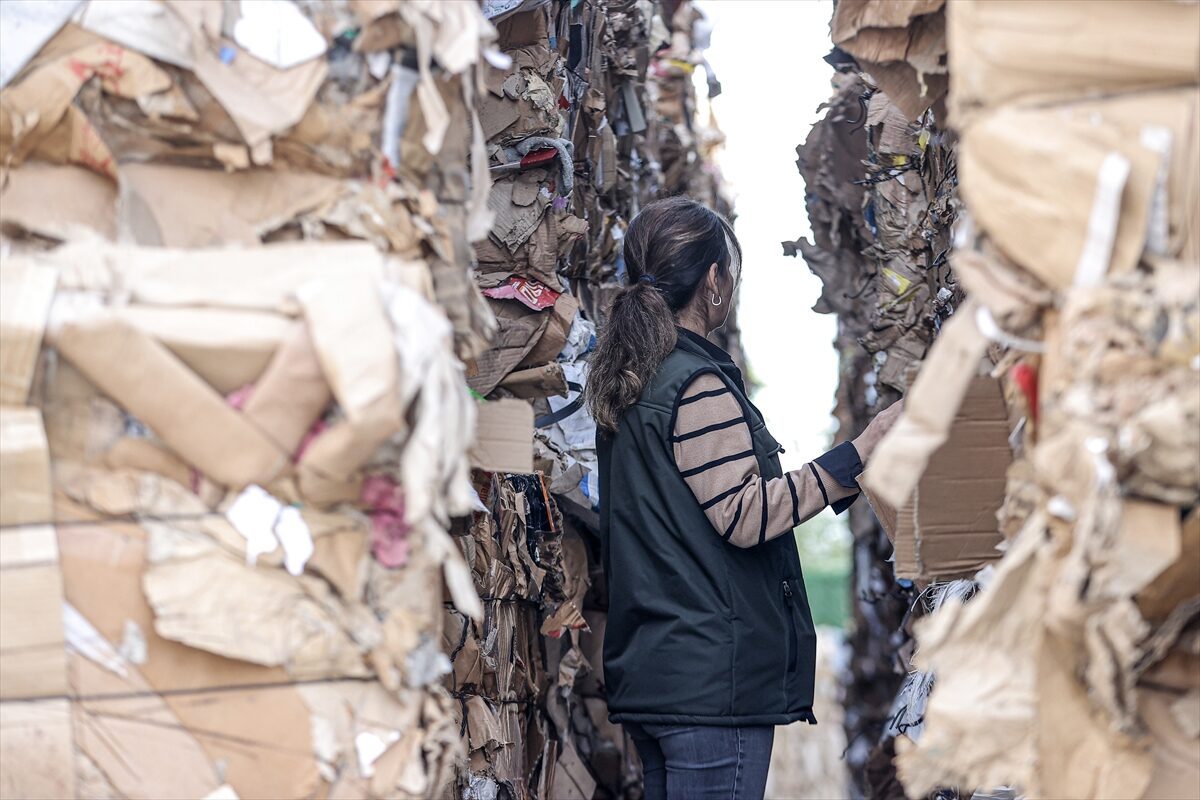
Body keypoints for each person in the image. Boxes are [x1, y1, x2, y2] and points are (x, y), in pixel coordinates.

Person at [587, 196, 903, 800]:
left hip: (662, 673)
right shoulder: (694, 383)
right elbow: (746, 514)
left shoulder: (632, 377)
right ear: (713, 280)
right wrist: (858, 456)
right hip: (708, 686)